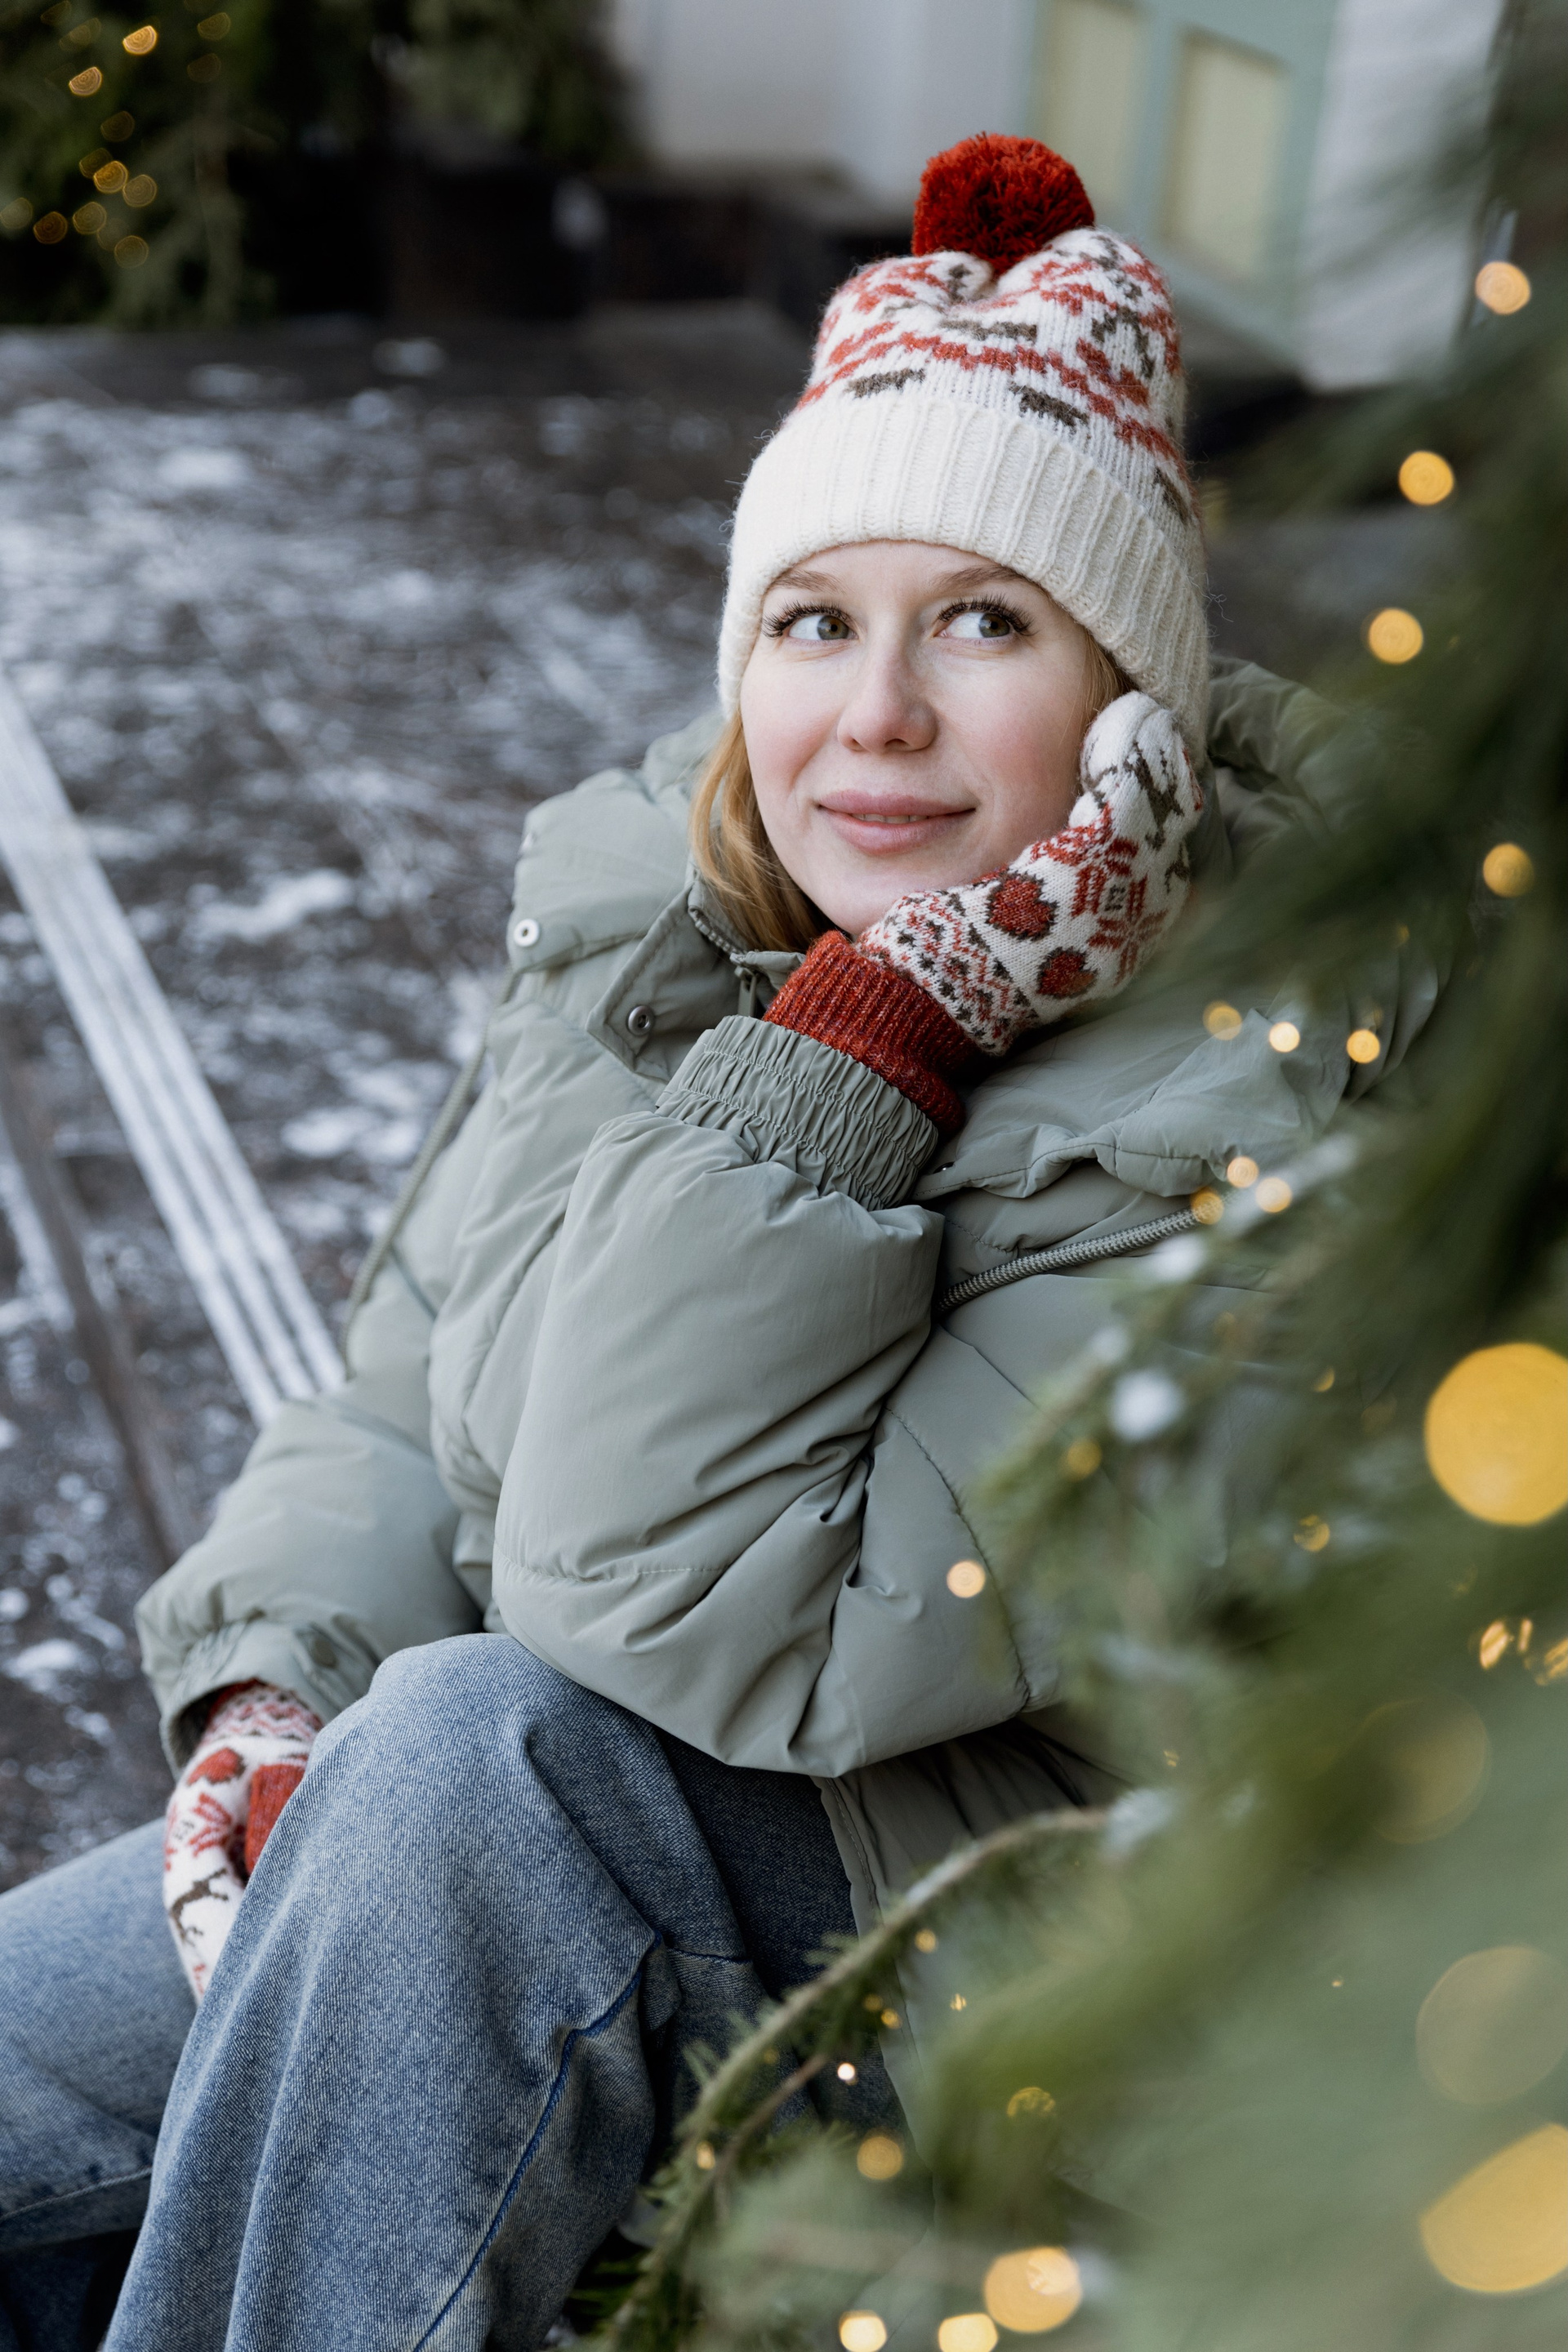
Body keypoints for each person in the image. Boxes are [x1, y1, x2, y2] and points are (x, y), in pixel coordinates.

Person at [0, 136, 1427, 2352]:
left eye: (984, 620)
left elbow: (693, 1599)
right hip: (531, 1806)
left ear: (1132, 699)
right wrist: (280, 1683)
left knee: (472, 1770)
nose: (875, 715)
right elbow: (412, 1367)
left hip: (1016, 1955)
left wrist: (873, 1044)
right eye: (813, 620)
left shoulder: (1258, 1090)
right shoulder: (658, 931)